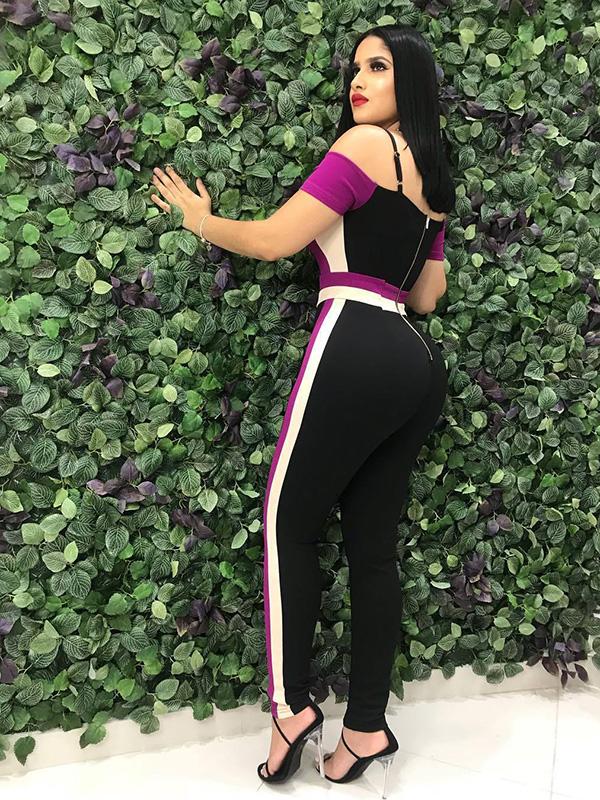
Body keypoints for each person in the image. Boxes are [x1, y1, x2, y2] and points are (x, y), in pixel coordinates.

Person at [150, 22, 455, 798]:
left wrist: (199, 220)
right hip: (415, 361)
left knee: (287, 523)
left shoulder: (364, 147)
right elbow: (428, 296)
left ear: (411, 79)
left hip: (352, 336)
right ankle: (366, 727)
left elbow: (273, 241)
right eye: (356, 68)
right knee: (372, 549)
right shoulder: (434, 177)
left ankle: (290, 710)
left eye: (378, 66)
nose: (358, 80)